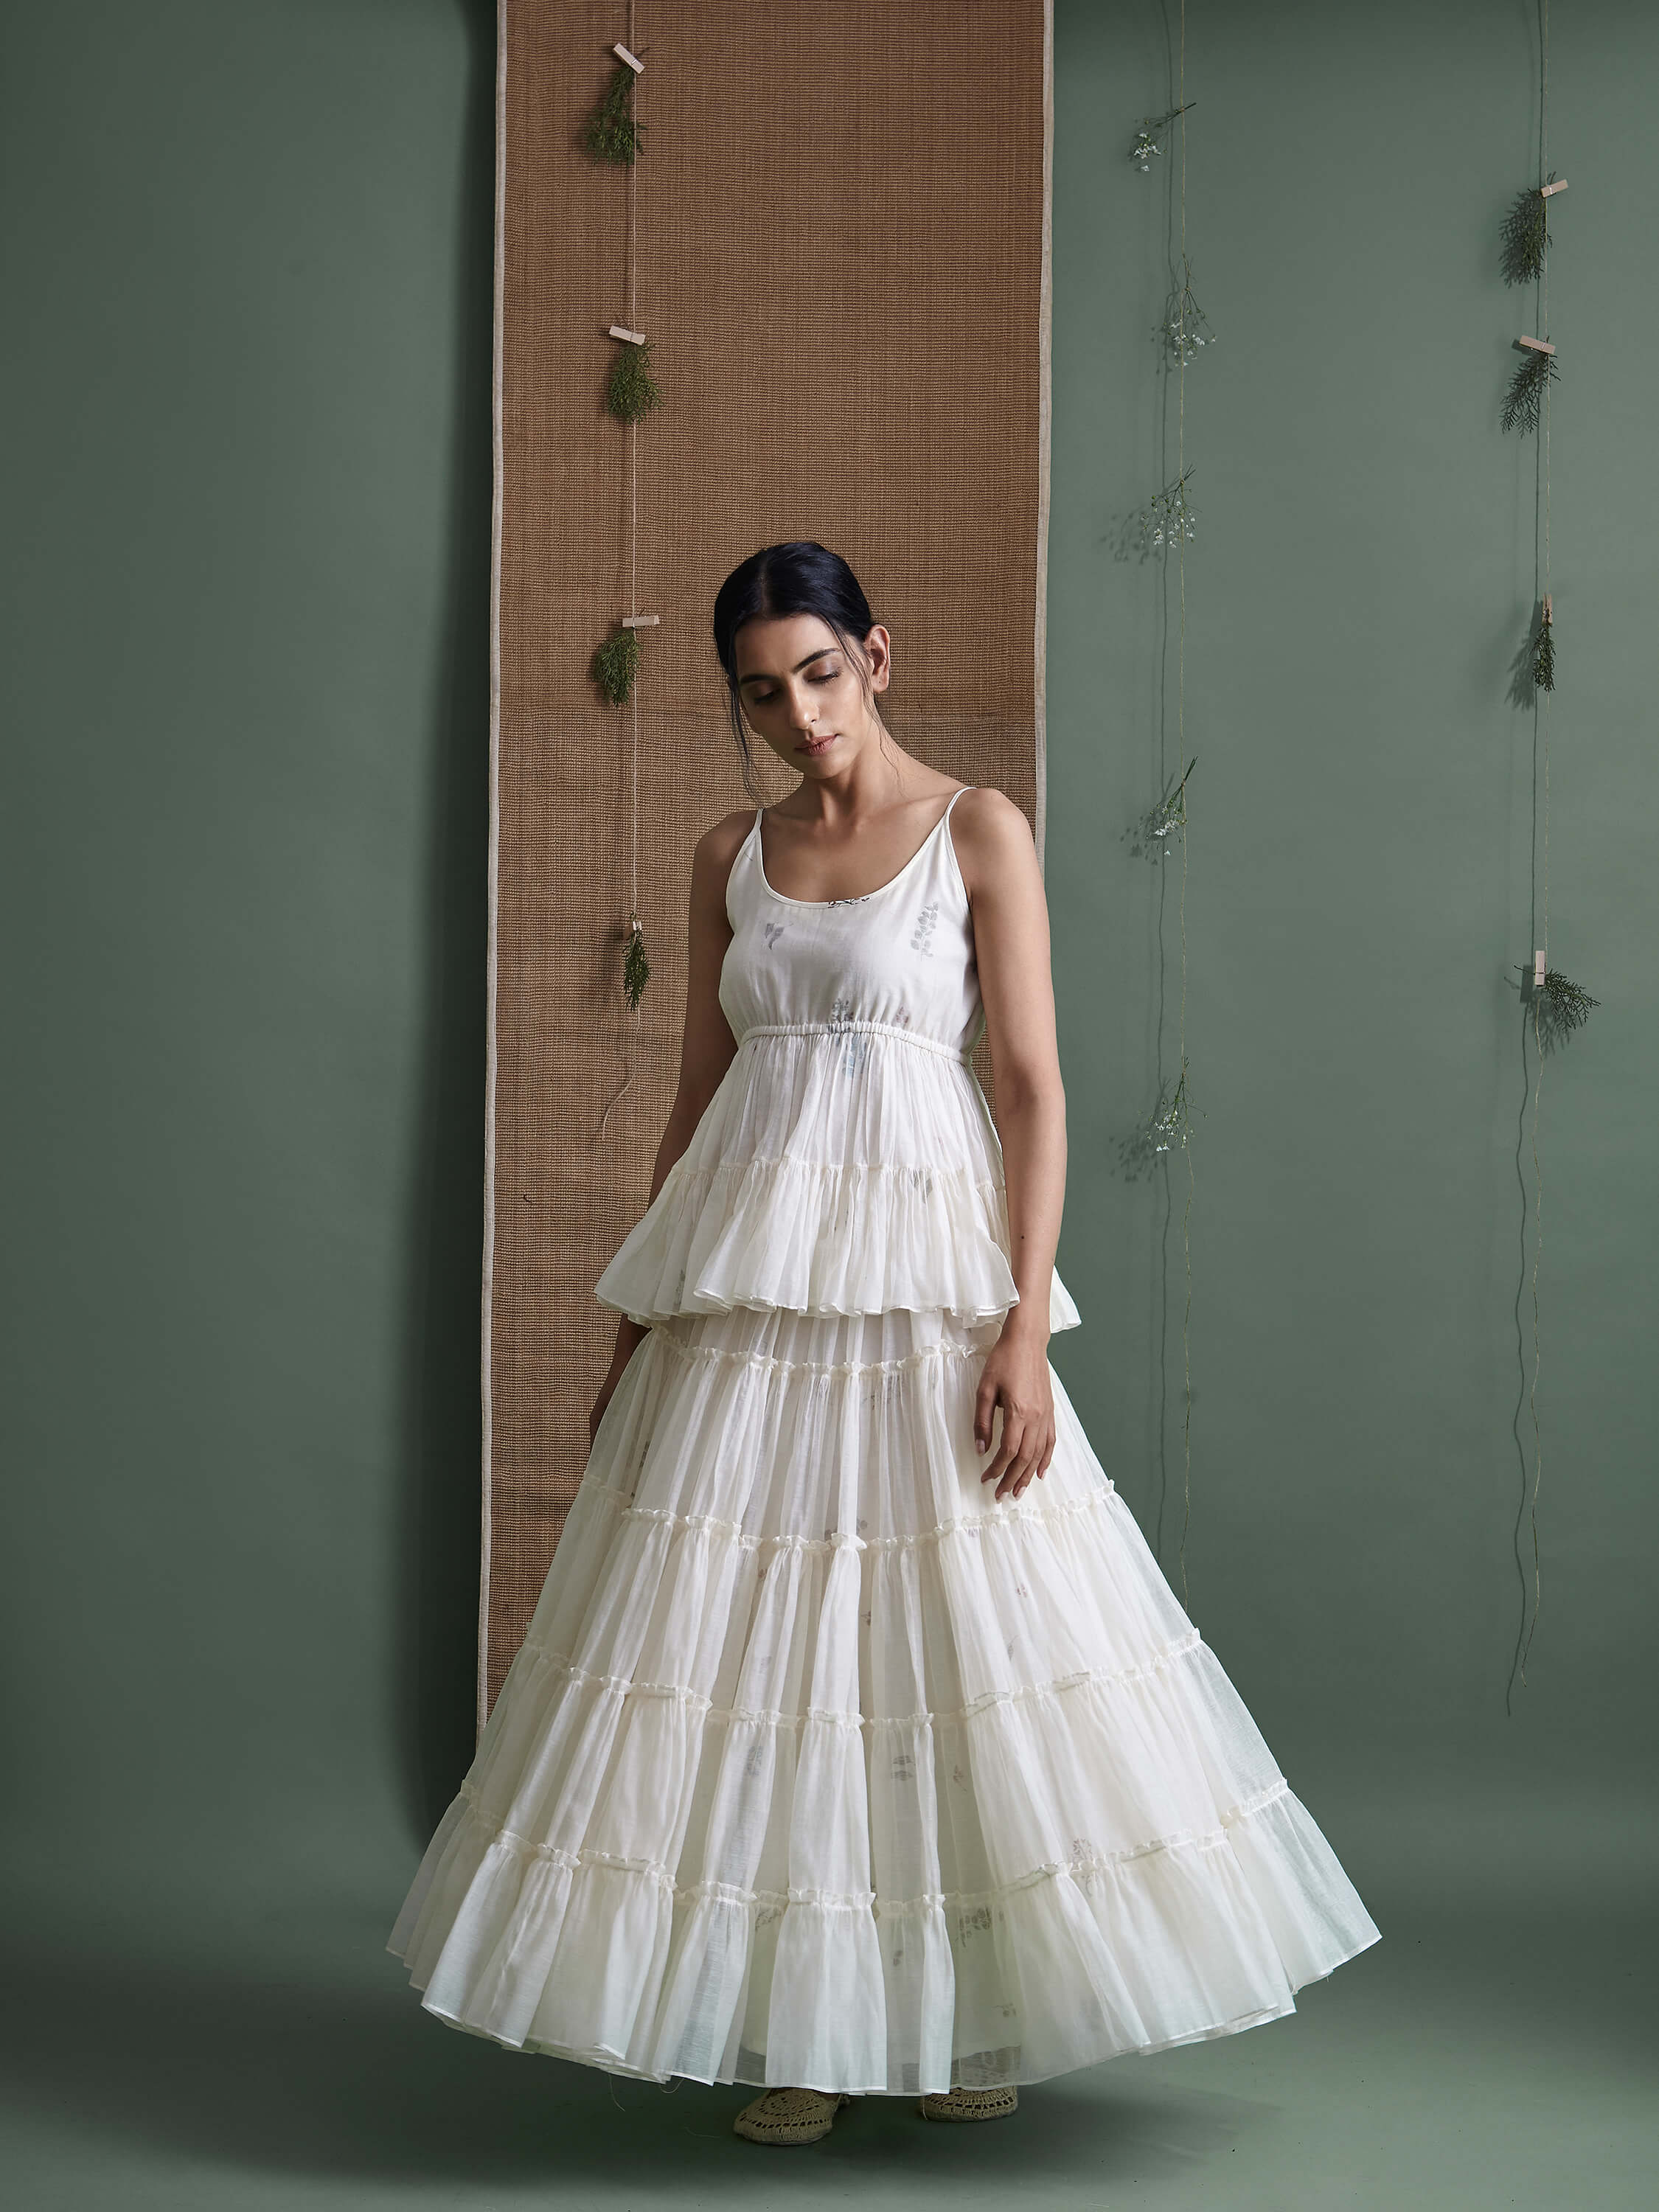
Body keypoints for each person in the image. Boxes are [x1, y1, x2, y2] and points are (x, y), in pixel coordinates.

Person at [388, 541, 1380, 2147]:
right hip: (756, 1310)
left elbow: (1034, 1090)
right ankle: (805, 2028)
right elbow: (699, 1107)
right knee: (764, 1653)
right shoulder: (733, 849)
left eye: (820, 674)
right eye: (764, 691)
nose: (796, 713)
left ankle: (949, 2021)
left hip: (926, 1291)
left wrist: (1022, 1330)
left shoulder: (975, 830)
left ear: (878, 657)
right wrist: (643, 1318)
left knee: (948, 1646)